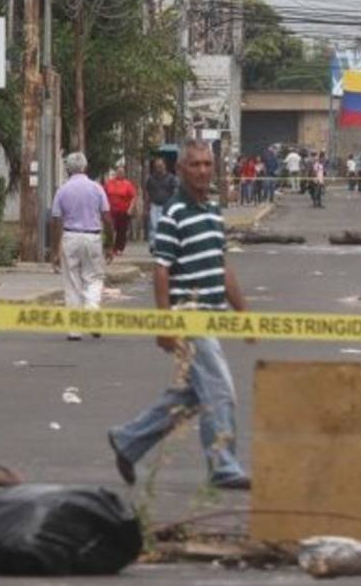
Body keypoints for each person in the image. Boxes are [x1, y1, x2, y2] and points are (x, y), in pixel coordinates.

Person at [107, 139, 253, 491]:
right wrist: (165, 323)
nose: (202, 170)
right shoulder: (174, 213)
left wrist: (244, 313)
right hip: (188, 318)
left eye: (207, 164)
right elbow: (162, 270)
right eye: (195, 165)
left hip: (210, 317)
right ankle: (223, 465)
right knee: (219, 390)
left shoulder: (212, 212)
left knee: (192, 395)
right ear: (181, 170)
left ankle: (129, 440)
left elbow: (221, 265)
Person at [50, 152, 114, 341]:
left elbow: (56, 220)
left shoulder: (62, 190)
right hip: (93, 237)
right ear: (85, 168)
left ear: (68, 169)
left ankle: (75, 330)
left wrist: (55, 250)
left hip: (70, 236)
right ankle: (92, 314)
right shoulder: (96, 188)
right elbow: (107, 218)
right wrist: (109, 244)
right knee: (93, 278)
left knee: (72, 282)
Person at [145, 158, 179, 252]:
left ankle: (165, 245)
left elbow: (176, 191)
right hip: (154, 205)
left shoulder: (171, 178)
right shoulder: (151, 179)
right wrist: (147, 206)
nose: (158, 168)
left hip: (166, 206)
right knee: (153, 225)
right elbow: (147, 192)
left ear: (164, 166)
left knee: (165, 226)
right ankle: (153, 245)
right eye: (157, 166)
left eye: (160, 165)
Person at [104, 165, 137, 255]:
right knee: (110, 229)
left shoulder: (128, 184)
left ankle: (119, 248)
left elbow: (133, 197)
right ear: (116, 173)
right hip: (111, 211)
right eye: (118, 172)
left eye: (122, 172)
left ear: (124, 173)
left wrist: (130, 208)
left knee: (121, 230)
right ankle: (109, 247)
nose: (120, 174)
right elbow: (104, 194)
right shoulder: (109, 183)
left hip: (123, 211)